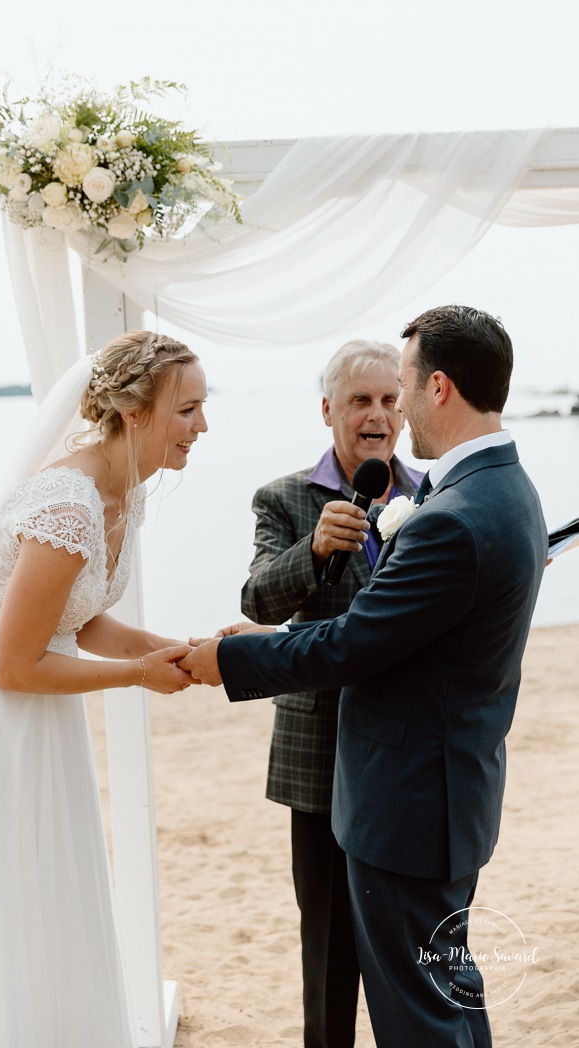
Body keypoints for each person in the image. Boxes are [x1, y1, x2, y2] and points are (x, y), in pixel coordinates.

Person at [183, 305, 548, 1047]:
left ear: (437, 388)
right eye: (366, 397)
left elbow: (353, 643)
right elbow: (292, 601)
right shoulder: (503, 490)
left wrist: (225, 659)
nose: (393, 406)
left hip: (407, 801)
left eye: (403, 386)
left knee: (418, 1015)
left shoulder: (446, 512)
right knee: (447, 996)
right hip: (434, 786)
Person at [0, 331, 204, 1048]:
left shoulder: (126, 494)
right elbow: (13, 665)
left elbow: (83, 622)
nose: (201, 426)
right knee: (1, 903)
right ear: (133, 412)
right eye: (187, 409)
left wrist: (187, 652)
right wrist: (139, 676)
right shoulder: (67, 502)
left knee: (41, 899)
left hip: (42, 713)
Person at [240, 339, 422, 1048]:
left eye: (387, 400)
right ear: (327, 410)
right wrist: (311, 550)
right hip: (319, 752)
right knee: (326, 948)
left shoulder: (431, 498)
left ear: (403, 410)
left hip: (407, 748)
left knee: (406, 947)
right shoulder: (282, 498)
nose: (375, 415)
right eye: (359, 401)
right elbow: (255, 600)